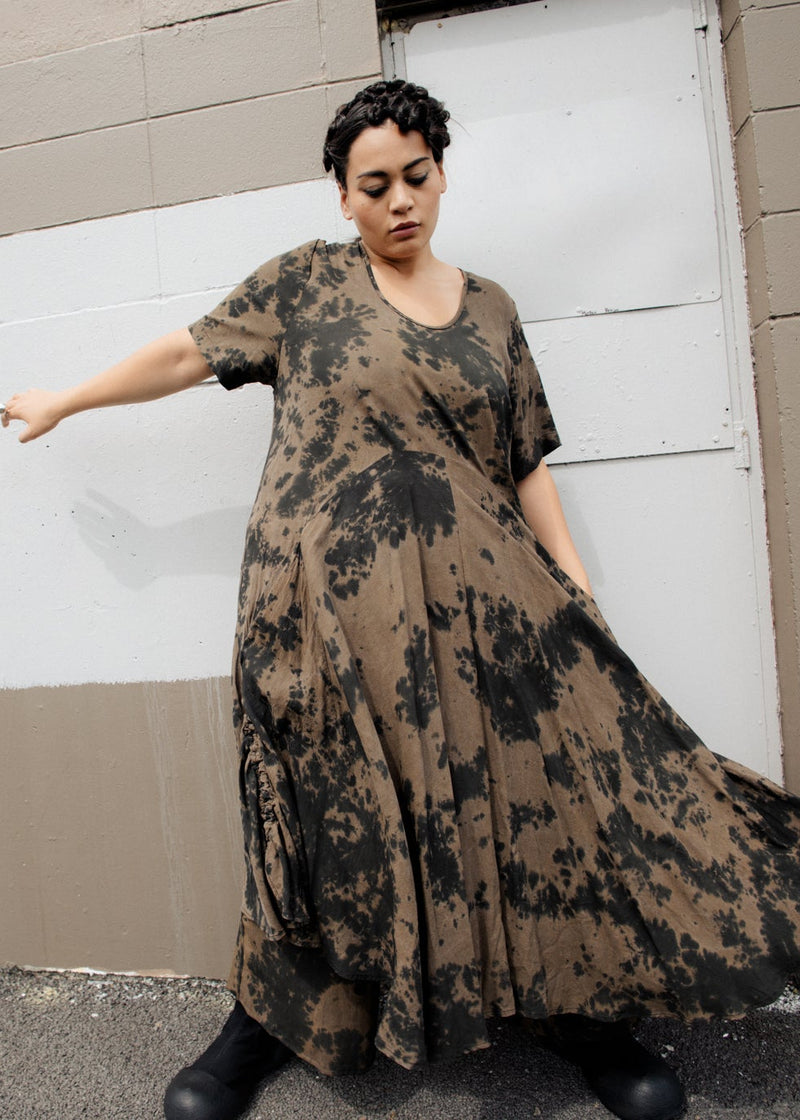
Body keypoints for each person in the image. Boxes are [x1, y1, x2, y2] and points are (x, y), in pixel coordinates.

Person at [4, 80, 800, 1120]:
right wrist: (66, 400)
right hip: (325, 619)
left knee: (528, 802)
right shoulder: (303, 285)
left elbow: (524, 458)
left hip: (486, 616)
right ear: (341, 196)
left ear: (440, 173)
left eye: (414, 177)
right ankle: (268, 1022)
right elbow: (188, 354)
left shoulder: (492, 309)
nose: (397, 202)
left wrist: (571, 579)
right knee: (323, 817)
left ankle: (575, 1010)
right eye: (372, 185)